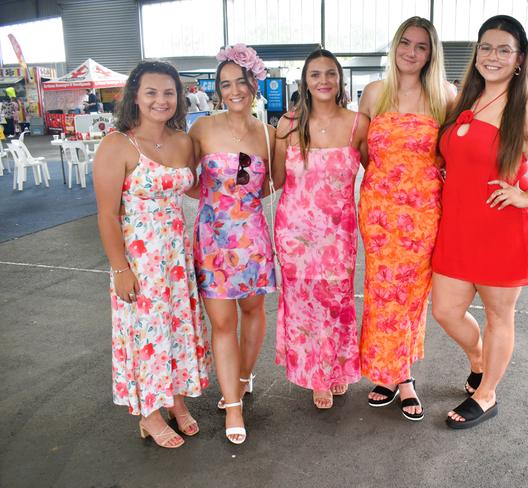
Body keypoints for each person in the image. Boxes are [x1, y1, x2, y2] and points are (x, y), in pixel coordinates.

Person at [431, 15, 528, 429]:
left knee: (500, 315)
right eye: (486, 47)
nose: (492, 56)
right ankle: (479, 359)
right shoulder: (465, 97)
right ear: (476, 53)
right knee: (445, 309)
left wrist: (527, 195)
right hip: (458, 226)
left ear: (519, 59)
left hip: (504, 225)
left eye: (504, 49)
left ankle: (487, 394)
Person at [93, 60, 211, 448]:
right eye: (151, 92)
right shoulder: (117, 145)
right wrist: (119, 268)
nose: (161, 100)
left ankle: (175, 399)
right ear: (135, 97)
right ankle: (149, 413)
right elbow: (107, 214)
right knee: (147, 336)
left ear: (178, 98)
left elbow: (194, 188)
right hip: (140, 260)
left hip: (176, 259)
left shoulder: (182, 141)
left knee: (175, 331)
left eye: (168, 92)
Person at [357, 16, 455, 421]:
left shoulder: (445, 96)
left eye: (421, 46)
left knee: (411, 297)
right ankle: (390, 372)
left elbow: (454, 153)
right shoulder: (375, 92)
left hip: (424, 213)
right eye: (406, 44)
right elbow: (361, 149)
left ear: (431, 53)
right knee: (382, 294)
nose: (411, 53)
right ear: (395, 46)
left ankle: (402, 376)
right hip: (379, 212)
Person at [189, 43, 276, 445]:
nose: (233, 90)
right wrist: (216, 204)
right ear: (218, 90)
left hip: (253, 240)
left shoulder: (269, 134)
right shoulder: (202, 129)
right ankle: (233, 405)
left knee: (253, 309)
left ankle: (244, 375)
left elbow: (276, 184)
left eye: (240, 82)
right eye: (225, 84)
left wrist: (240, 207)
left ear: (254, 84)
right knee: (222, 322)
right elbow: (186, 181)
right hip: (212, 240)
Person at [272, 49, 369, 409]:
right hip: (294, 231)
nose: (324, 80)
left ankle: (337, 366)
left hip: (338, 232)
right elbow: (276, 179)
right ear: (306, 81)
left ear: (340, 79)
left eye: (331, 73)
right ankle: (317, 376)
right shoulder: (288, 124)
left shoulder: (359, 123)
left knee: (336, 300)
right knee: (303, 305)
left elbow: (377, 175)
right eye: (316, 74)